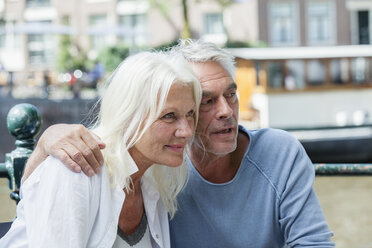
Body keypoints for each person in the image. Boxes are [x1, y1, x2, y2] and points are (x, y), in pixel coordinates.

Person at [19, 39, 335, 247]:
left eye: (231, 94)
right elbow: (41, 203)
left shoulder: (156, 180)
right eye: (207, 101)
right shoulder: (158, 169)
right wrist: (44, 145)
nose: (226, 111)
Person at [0, 51, 201, 247]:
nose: (187, 131)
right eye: (169, 116)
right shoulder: (76, 169)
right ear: (129, 114)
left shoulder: (154, 181)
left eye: (190, 113)